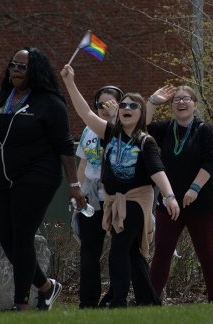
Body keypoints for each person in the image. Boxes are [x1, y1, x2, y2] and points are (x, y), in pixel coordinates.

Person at [0, 48, 86, 311]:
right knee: (7, 238)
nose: (15, 71)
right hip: (4, 179)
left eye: (22, 67)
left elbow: (64, 147)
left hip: (39, 177)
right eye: (13, 66)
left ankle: (21, 304)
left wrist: (74, 185)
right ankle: (47, 287)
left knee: (23, 236)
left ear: (35, 71)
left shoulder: (50, 104)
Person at [61, 64, 179, 308]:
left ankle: (118, 302)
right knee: (129, 252)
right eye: (123, 105)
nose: (126, 108)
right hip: (114, 200)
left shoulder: (145, 141)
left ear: (141, 114)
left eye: (132, 106)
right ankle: (146, 301)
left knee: (119, 249)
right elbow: (84, 113)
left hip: (136, 199)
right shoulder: (110, 135)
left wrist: (169, 196)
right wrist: (70, 82)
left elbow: (158, 171)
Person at [146, 85, 213, 302]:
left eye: (186, 98)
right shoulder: (166, 129)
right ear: (171, 106)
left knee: (206, 252)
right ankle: (151, 301)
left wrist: (195, 188)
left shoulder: (204, 129)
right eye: (176, 100)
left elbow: (212, 159)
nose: (181, 102)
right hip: (170, 201)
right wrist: (152, 101)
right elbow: (141, 127)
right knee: (162, 251)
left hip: (200, 201)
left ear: (195, 104)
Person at [73, 85, 123, 308]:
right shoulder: (88, 131)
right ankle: (88, 302)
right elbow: (83, 164)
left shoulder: (125, 129)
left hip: (115, 198)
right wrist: (77, 192)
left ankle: (114, 298)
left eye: (111, 103)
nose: (105, 108)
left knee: (120, 252)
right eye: (101, 104)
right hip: (91, 200)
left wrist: (115, 116)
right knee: (89, 252)